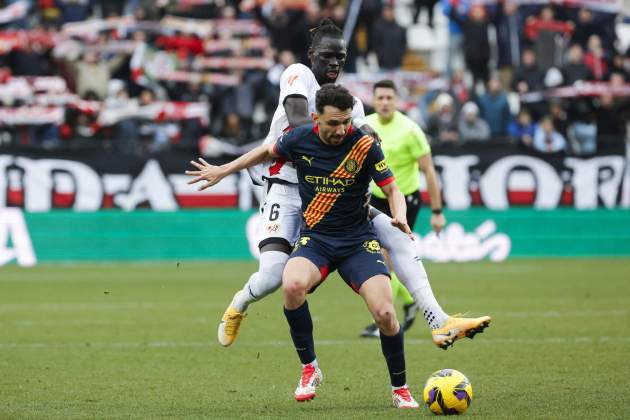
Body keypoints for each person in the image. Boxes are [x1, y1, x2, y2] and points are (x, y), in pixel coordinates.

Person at [195, 19, 490, 351]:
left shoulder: (350, 105)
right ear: (311, 54)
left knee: (400, 236)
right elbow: (297, 119)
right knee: (273, 276)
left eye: (341, 57)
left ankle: (439, 321)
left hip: (330, 194)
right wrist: (224, 169)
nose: (334, 63)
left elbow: (367, 138)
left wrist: (370, 142)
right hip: (286, 188)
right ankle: (239, 303)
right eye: (327, 55)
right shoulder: (298, 74)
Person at [189, 84, 420, 408]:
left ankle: (400, 388)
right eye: (333, 123)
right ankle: (310, 368)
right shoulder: (298, 139)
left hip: (358, 240)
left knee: (384, 313)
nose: (341, 130)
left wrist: (399, 216)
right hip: (317, 240)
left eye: (345, 122)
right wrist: (223, 170)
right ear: (315, 119)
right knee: (291, 284)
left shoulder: (364, 145)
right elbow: (265, 151)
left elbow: (392, 189)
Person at [360, 80, 447, 338]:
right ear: (374, 101)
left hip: (404, 200)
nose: (385, 102)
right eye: (380, 98)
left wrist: (437, 211)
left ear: (397, 101)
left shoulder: (411, 130)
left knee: (386, 260)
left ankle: (386, 319)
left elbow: (428, 170)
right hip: (374, 198)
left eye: (389, 97)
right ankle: (406, 302)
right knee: (379, 260)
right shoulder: (366, 125)